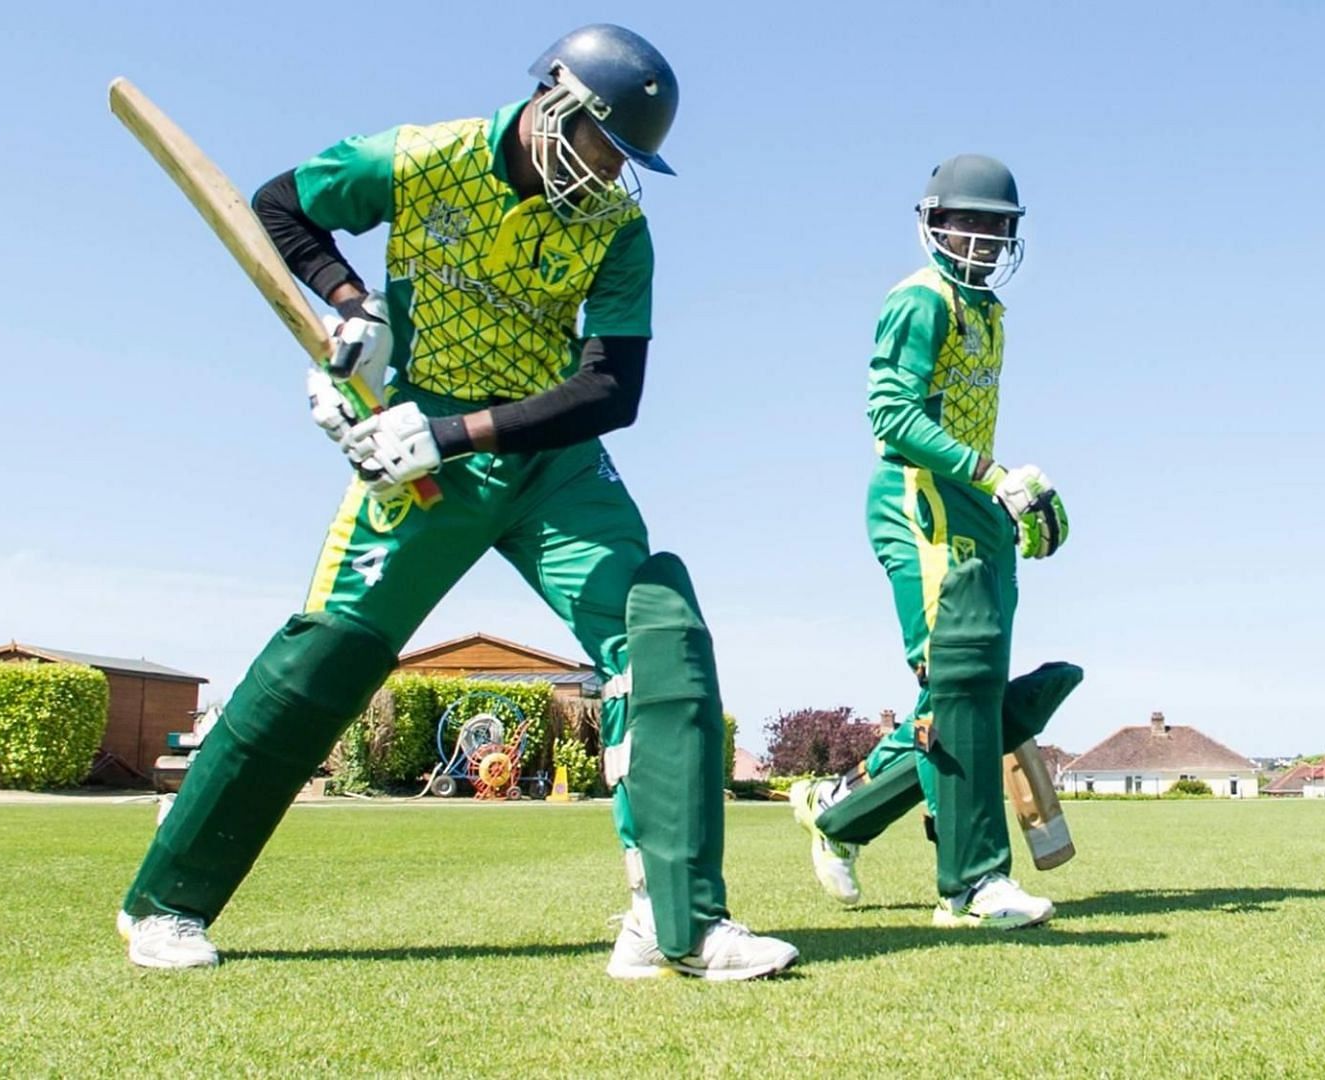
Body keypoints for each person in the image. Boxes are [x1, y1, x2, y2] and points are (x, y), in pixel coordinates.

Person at [115, 24, 797, 981]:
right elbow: (280, 206)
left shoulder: (616, 228)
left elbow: (613, 391)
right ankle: (166, 904)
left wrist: (455, 433)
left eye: (625, 160)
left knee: (660, 632)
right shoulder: (422, 158)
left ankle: (675, 921)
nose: (607, 173)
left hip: (547, 459)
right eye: (602, 143)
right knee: (329, 659)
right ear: (555, 101)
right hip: (416, 460)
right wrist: (356, 307)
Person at [789, 155, 1081, 928]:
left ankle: (838, 814)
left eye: (998, 226)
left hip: (971, 502)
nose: (984, 238)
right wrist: (989, 472)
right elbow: (891, 415)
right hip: (917, 501)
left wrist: (1003, 500)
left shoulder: (989, 312)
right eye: (970, 222)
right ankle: (974, 884)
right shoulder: (921, 302)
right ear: (934, 224)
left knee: (963, 696)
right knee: (959, 687)